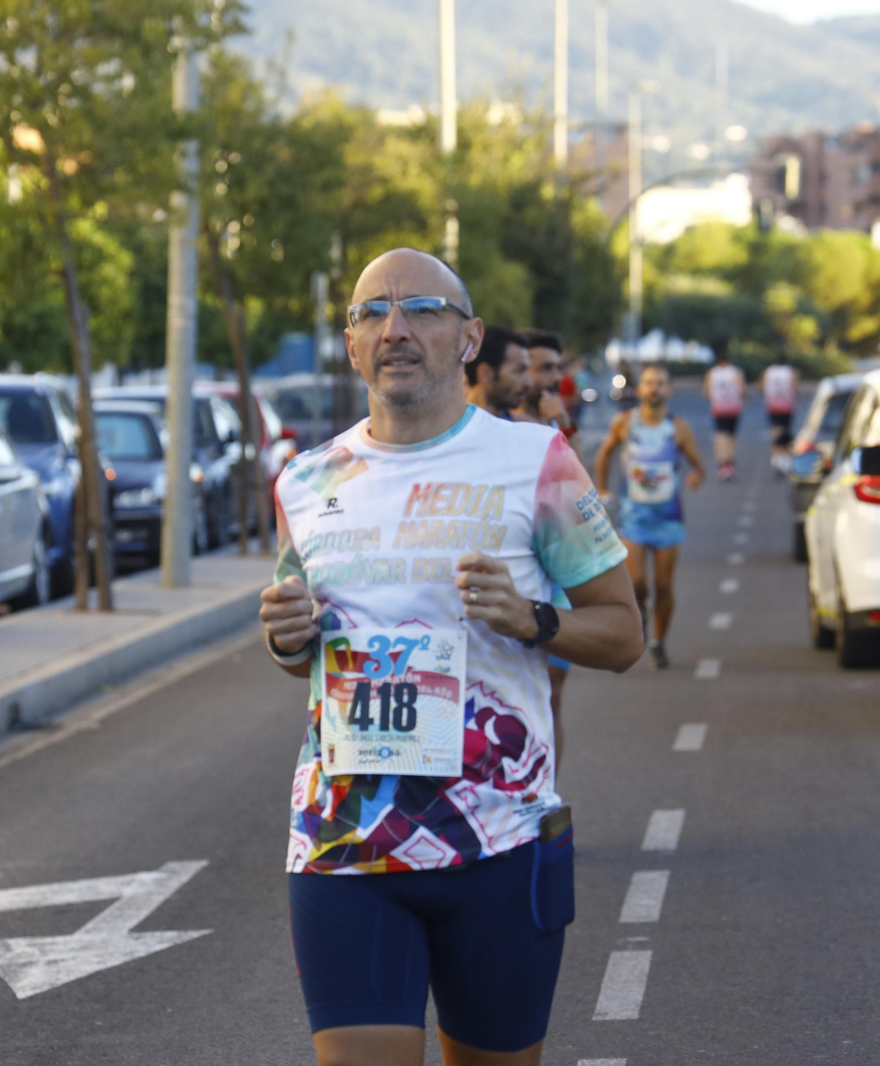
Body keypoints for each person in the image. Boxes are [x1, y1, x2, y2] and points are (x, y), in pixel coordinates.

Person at [259, 248, 643, 1066]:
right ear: (352, 344)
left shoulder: (535, 462)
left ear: (468, 339)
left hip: (497, 842)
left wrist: (532, 619)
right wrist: (286, 635)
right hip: (344, 842)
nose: (395, 328)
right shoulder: (305, 479)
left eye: (421, 310)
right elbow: (302, 651)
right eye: (372, 313)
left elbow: (623, 633)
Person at [594, 363, 706, 670]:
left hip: (668, 518)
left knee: (664, 585)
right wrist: (602, 487)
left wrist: (696, 477)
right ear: (640, 389)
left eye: (660, 383)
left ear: (668, 390)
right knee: (637, 583)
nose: (654, 388)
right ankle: (641, 613)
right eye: (648, 383)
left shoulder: (678, 428)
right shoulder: (624, 423)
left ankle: (658, 642)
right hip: (634, 517)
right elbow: (604, 453)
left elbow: (698, 464)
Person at [515, 328, 577, 774]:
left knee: (552, 690)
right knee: (529, 690)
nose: (554, 377)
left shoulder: (554, 420)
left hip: (555, 578)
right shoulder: (506, 424)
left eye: (558, 367)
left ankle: (548, 795)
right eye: (544, 368)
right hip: (518, 577)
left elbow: (572, 491)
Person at [463, 324, 531, 419]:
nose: (529, 382)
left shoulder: (522, 427)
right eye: (519, 371)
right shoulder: (447, 429)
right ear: (486, 373)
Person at [703, 337, 744, 480]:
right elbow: (741, 390)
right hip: (733, 409)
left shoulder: (712, 373)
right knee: (731, 437)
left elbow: (706, 393)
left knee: (721, 436)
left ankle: (722, 464)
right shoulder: (736, 372)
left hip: (719, 409)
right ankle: (730, 464)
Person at [761, 350, 797, 478]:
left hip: (772, 405)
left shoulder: (769, 371)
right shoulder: (790, 371)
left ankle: (776, 459)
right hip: (786, 406)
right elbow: (794, 388)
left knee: (775, 432)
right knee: (786, 433)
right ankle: (785, 460)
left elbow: (761, 387)